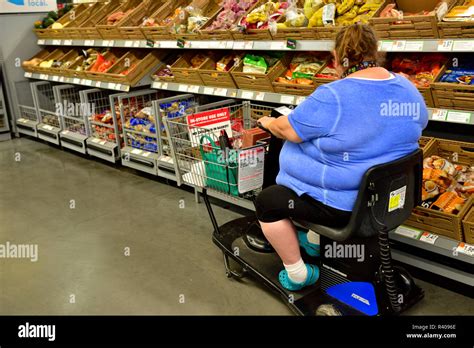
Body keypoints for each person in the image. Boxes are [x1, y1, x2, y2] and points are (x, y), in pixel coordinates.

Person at [255, 24, 428, 291]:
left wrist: (268, 121)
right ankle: (314, 241)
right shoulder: (407, 88)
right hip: (390, 200)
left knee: (267, 202)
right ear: (376, 51)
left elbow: (288, 130)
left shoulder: (332, 96)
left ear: (337, 57)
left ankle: (298, 273)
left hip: (344, 207)